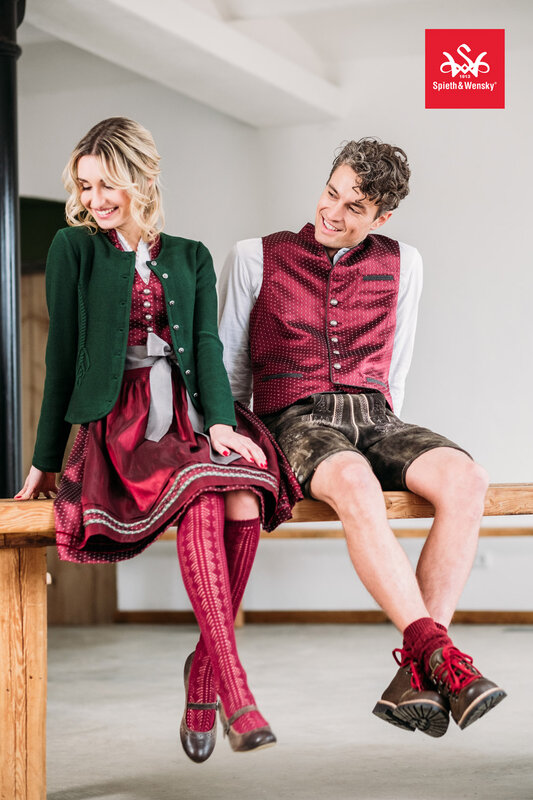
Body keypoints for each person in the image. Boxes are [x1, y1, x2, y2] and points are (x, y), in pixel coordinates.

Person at [15, 117, 301, 763]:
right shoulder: (74, 248)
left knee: (245, 497)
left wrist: (221, 422)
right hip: (122, 421)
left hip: (192, 415)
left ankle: (203, 676)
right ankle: (235, 691)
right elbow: (60, 359)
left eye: (107, 184)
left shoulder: (190, 254)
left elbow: (206, 345)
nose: (93, 199)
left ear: (143, 178)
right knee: (204, 496)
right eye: (85, 186)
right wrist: (43, 461)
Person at [218, 138, 506, 738]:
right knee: (353, 480)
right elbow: (231, 371)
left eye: (355, 207)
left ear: (382, 217)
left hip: (376, 415)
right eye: (331, 193)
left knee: (467, 478)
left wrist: (391, 439)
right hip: (293, 418)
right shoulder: (254, 256)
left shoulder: (406, 262)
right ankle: (440, 655)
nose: (333, 212)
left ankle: (419, 674)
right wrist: (236, 446)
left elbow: (396, 368)